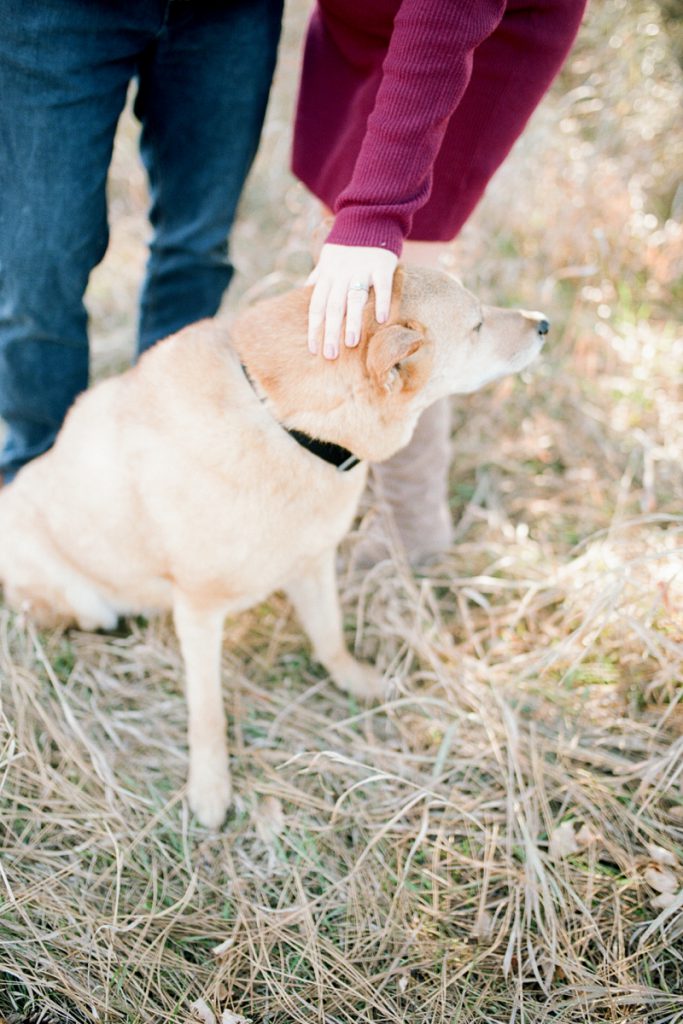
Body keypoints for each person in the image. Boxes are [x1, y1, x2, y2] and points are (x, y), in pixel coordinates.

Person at [294, 0, 587, 564]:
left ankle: (412, 530)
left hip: (458, 34)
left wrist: (376, 212)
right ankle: (349, 478)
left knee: (398, 291)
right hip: (357, 27)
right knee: (332, 243)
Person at [0, 0, 283, 487]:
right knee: (38, 259)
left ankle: (165, 470)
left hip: (231, 13)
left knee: (197, 246)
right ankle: (39, 484)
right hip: (50, 14)